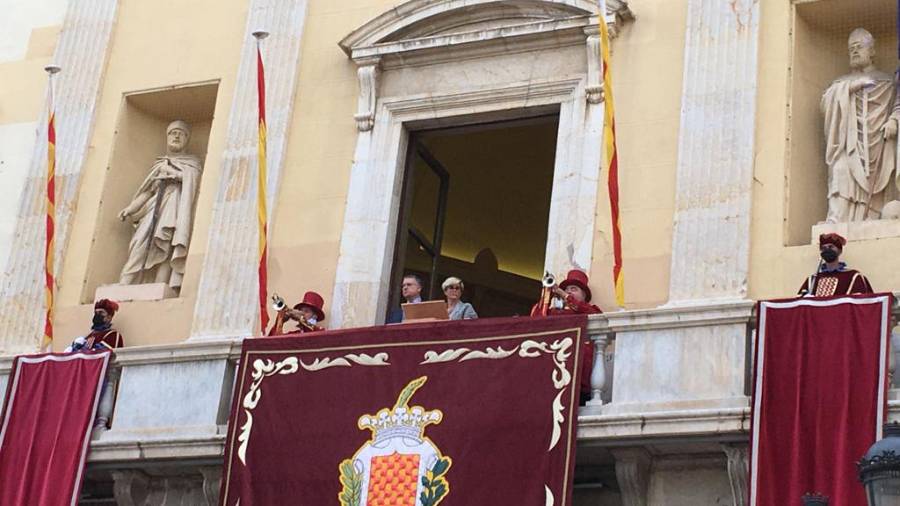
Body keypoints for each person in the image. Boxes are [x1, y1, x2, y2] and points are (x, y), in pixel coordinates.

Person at [820, 28, 900, 223]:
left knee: (881, 177)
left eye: (859, 47)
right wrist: (850, 87)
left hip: (880, 143)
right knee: (840, 169)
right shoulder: (841, 83)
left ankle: (874, 218)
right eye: (851, 49)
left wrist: (894, 120)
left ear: (872, 51)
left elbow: (898, 104)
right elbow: (825, 104)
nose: (854, 52)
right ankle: (837, 219)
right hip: (849, 145)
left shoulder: (888, 82)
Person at [118, 120, 203, 290]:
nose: (176, 136)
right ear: (167, 137)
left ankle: (160, 284)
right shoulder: (160, 164)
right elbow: (147, 191)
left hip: (174, 207)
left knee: (167, 243)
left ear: (187, 138)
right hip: (154, 207)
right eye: (173, 133)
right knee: (140, 241)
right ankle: (125, 282)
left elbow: (191, 179)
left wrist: (173, 173)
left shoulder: (191, 163)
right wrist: (131, 208)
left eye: (181, 133)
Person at [530, 269, 601, 404]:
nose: (568, 292)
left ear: (584, 295)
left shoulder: (591, 309)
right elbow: (535, 320)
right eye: (567, 289)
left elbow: (593, 315)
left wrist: (563, 294)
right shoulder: (554, 312)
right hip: (551, 371)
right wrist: (547, 294)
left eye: (574, 289)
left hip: (578, 376)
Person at [799, 233, 873, 297]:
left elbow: (861, 303)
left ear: (840, 251)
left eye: (831, 247)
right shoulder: (812, 280)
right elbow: (799, 306)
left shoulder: (853, 276)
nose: (827, 250)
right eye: (824, 248)